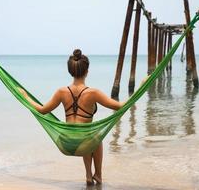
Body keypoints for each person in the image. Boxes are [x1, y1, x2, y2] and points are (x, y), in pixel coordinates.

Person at [19, 49, 124, 185]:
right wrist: (140, 88)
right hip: (84, 144)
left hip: (65, 144)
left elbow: (42, 110)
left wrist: (25, 96)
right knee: (95, 135)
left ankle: (87, 175)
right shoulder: (93, 93)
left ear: (70, 71)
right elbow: (119, 106)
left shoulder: (61, 92)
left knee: (85, 133)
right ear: (87, 71)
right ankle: (97, 174)